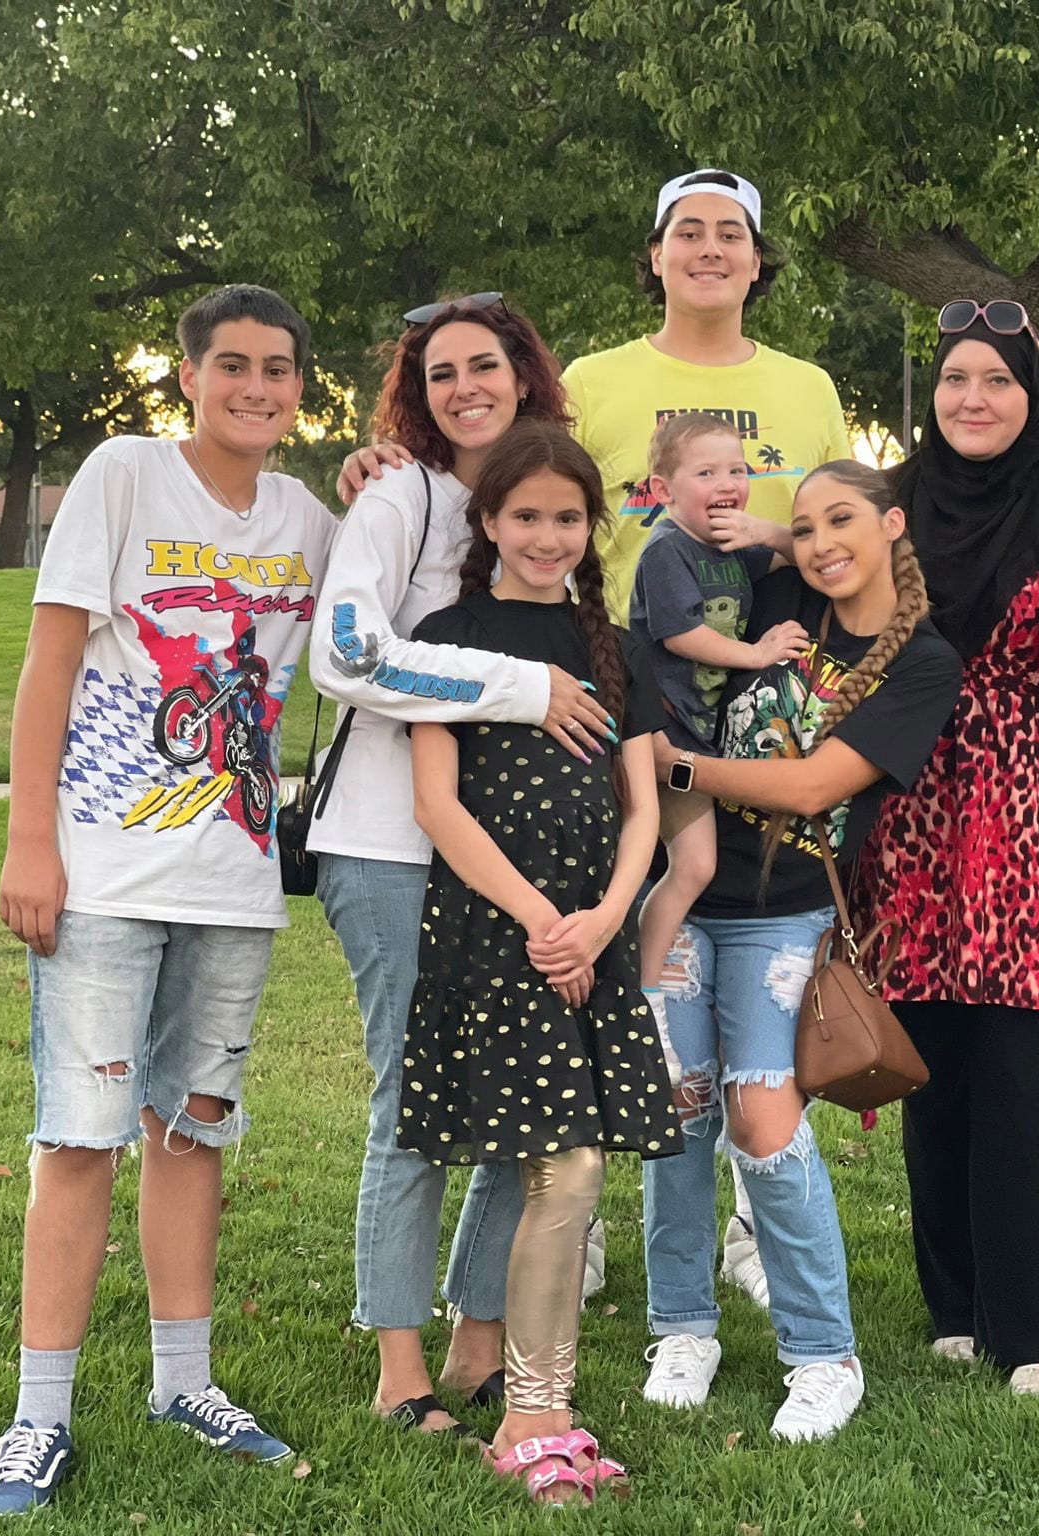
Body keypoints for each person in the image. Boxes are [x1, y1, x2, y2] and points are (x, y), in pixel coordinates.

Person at [337, 170, 854, 1306]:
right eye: (686, 233)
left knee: (762, 973)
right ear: (655, 254)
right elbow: (517, 478)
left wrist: (761, 533)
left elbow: (832, 531)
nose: (709, 250)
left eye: (731, 235)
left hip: (753, 719)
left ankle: (744, 1233)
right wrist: (379, 456)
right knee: (624, 973)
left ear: (759, 260)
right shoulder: (594, 381)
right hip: (612, 703)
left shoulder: (807, 386)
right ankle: (582, 1214)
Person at [0, 285, 337, 1514]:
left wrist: (393, 475)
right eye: (231, 364)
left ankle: (184, 1379)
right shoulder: (125, 474)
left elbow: (375, 612)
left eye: (279, 369)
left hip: (233, 883)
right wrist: (32, 842)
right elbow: (51, 657)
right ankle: (40, 1417)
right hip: (103, 873)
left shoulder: (309, 516)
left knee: (192, 1132)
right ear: (188, 375)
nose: (256, 387)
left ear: (301, 385)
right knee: (78, 1137)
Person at [307, 295, 620, 1441]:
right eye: (439, 374)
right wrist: (519, 690)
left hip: (511, 860)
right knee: (414, 1102)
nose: (463, 389)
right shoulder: (399, 493)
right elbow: (345, 656)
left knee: (522, 1103)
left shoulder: (538, 501)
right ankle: (400, 1367)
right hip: (391, 846)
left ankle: (480, 1339)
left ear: (525, 373)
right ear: (414, 393)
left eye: (483, 365)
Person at [853, 303, 1039, 1395]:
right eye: (953, 380)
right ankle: (956, 1303)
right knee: (928, 1065)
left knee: (1021, 1075)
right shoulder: (891, 508)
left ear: (1033, 390)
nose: (971, 398)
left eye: (994, 379)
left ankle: (1035, 1331)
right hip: (912, 815)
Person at [640, 460, 961, 1439]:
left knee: (763, 1117)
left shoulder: (922, 662)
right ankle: (681, 1327)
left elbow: (817, 786)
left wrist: (677, 764)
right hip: (687, 894)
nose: (823, 544)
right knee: (681, 1108)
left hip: (782, 912)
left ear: (891, 524)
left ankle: (824, 1353)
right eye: (808, 526)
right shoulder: (779, 596)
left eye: (844, 522)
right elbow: (693, 580)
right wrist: (781, 539)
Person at [399, 421, 679, 1503]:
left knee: (574, 1170)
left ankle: (541, 1402)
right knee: (561, 1170)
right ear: (488, 522)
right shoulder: (446, 636)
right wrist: (539, 923)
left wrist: (604, 918)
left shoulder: (614, 651)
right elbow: (437, 804)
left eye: (567, 518)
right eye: (526, 517)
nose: (547, 536)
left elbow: (642, 807)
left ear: (589, 528)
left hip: (590, 937)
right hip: (495, 935)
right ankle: (530, 1418)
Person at [628, 412, 802, 1004]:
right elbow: (681, 636)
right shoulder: (667, 550)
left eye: (737, 469)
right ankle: (641, 991)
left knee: (685, 862)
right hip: (665, 732)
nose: (727, 482)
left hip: (703, 736)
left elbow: (803, 556)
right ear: (663, 491)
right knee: (692, 865)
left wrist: (765, 530)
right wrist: (757, 654)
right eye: (706, 472)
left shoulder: (727, 547)